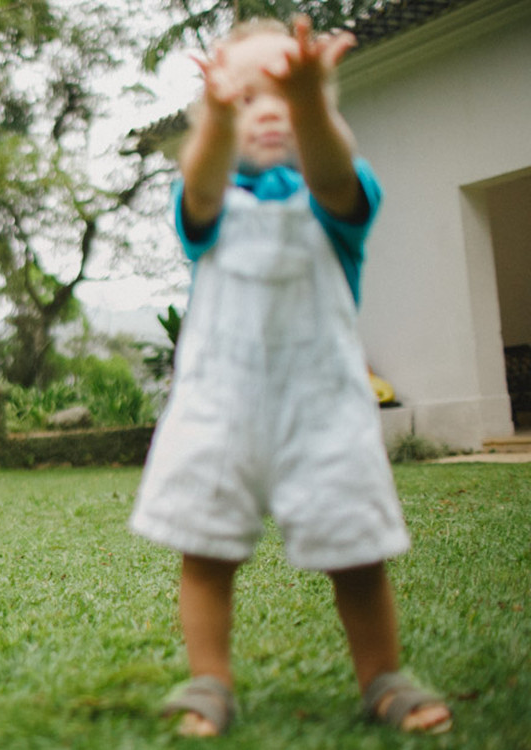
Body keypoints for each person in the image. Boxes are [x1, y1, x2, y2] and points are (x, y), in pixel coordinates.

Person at [128, 17, 452, 737]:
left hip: (324, 412)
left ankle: (383, 678)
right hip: (219, 411)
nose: (270, 110)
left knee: (357, 554)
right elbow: (200, 186)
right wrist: (216, 120)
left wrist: (312, 107)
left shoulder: (338, 200)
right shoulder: (209, 202)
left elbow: (332, 170)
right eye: (247, 98)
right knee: (207, 552)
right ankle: (209, 682)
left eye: (291, 92)